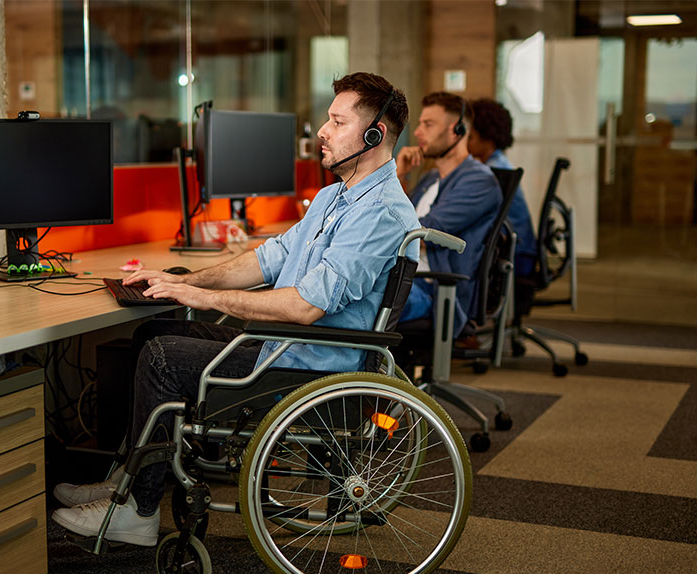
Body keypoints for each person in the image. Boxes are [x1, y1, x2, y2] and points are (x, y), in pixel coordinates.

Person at [51, 72, 420, 546]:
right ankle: (130, 474)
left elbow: (306, 307)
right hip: (283, 347)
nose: (322, 132)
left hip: (310, 367)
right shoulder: (335, 197)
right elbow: (266, 260)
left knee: (162, 358)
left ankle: (138, 510)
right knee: (152, 333)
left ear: (375, 135)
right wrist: (182, 281)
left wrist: (202, 299)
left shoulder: (381, 213)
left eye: (336, 121)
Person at [396, 91, 502, 337]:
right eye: (420, 124)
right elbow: (398, 218)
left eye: (428, 124)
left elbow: (420, 233)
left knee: (351, 303)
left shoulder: (477, 181)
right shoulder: (430, 178)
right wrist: (400, 176)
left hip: (433, 290)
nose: (418, 132)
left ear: (457, 131)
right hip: (405, 279)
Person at [467, 98, 536, 277]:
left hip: (515, 258)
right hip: (519, 251)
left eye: (471, 135)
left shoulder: (495, 172)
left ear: (487, 136)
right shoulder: (498, 164)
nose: (465, 140)